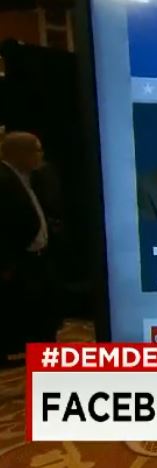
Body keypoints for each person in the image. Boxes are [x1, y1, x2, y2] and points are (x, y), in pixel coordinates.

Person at [0, 132, 58, 363]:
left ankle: (43, 354)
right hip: (17, 261)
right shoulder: (3, 180)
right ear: (19, 153)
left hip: (38, 259)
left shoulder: (31, 178)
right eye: (37, 150)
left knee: (43, 311)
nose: (41, 155)